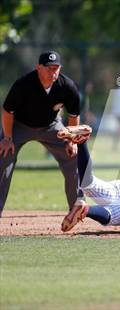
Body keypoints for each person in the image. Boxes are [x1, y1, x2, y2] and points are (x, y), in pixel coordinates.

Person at [0, 51, 82, 217]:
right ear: (38, 68)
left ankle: (76, 209)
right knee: (4, 156)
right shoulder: (24, 84)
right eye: (49, 68)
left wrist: (71, 141)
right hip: (20, 126)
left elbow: (74, 116)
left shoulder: (67, 86)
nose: (53, 72)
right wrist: (7, 138)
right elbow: (7, 111)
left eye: (56, 68)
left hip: (51, 126)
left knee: (72, 157)